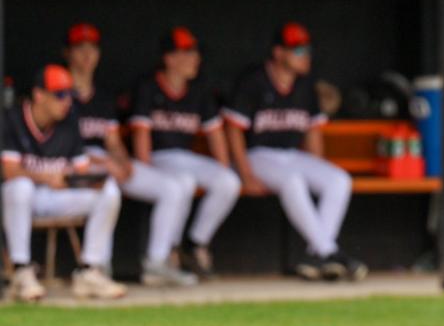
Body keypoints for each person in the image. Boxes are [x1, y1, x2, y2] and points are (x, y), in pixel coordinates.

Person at [223, 22, 366, 281]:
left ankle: (317, 256)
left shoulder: (306, 85)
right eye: (298, 51)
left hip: (290, 155)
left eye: (307, 50)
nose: (305, 56)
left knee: (338, 180)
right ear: (279, 53)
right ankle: (330, 253)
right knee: (292, 181)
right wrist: (245, 174)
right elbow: (234, 131)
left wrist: (317, 169)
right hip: (257, 155)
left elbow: (312, 133)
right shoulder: (254, 80)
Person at [64, 23, 198, 287]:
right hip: (72, 163)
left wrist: (122, 161)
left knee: (172, 187)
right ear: (67, 53)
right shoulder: (58, 94)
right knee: (108, 187)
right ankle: (100, 266)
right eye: (80, 48)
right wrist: (106, 164)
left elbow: (112, 140)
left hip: (104, 160)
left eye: (92, 48)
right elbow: (58, 145)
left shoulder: (101, 97)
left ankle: (157, 262)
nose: (87, 55)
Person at [2, 65, 126, 301]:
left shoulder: (70, 121)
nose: (66, 101)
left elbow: (80, 169)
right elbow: (9, 170)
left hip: (57, 195)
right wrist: (46, 177)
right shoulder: (12, 118)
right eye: (60, 95)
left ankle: (89, 271)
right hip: (21, 198)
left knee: (109, 191)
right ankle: (21, 271)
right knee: (19, 187)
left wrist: (81, 180)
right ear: (39, 95)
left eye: (70, 95)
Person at [130, 27, 241, 279]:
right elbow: (141, 135)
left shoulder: (199, 89)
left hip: (184, 158)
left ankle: (193, 242)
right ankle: (168, 252)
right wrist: (147, 174)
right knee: (183, 183)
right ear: (169, 58)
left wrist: (223, 167)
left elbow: (215, 134)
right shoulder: (149, 87)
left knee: (229, 181)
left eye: (195, 53)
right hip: (158, 159)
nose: (194, 59)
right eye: (186, 53)